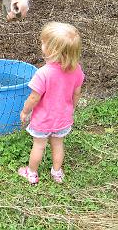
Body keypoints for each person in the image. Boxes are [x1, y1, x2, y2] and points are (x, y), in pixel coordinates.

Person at [18, 22, 85, 184]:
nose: (41, 44)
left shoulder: (43, 74)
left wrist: (25, 111)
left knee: (39, 146)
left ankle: (32, 173)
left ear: (52, 50)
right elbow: (76, 93)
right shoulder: (77, 70)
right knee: (58, 145)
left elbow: (34, 98)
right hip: (63, 118)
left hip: (43, 120)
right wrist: (71, 108)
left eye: (44, 43)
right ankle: (56, 172)